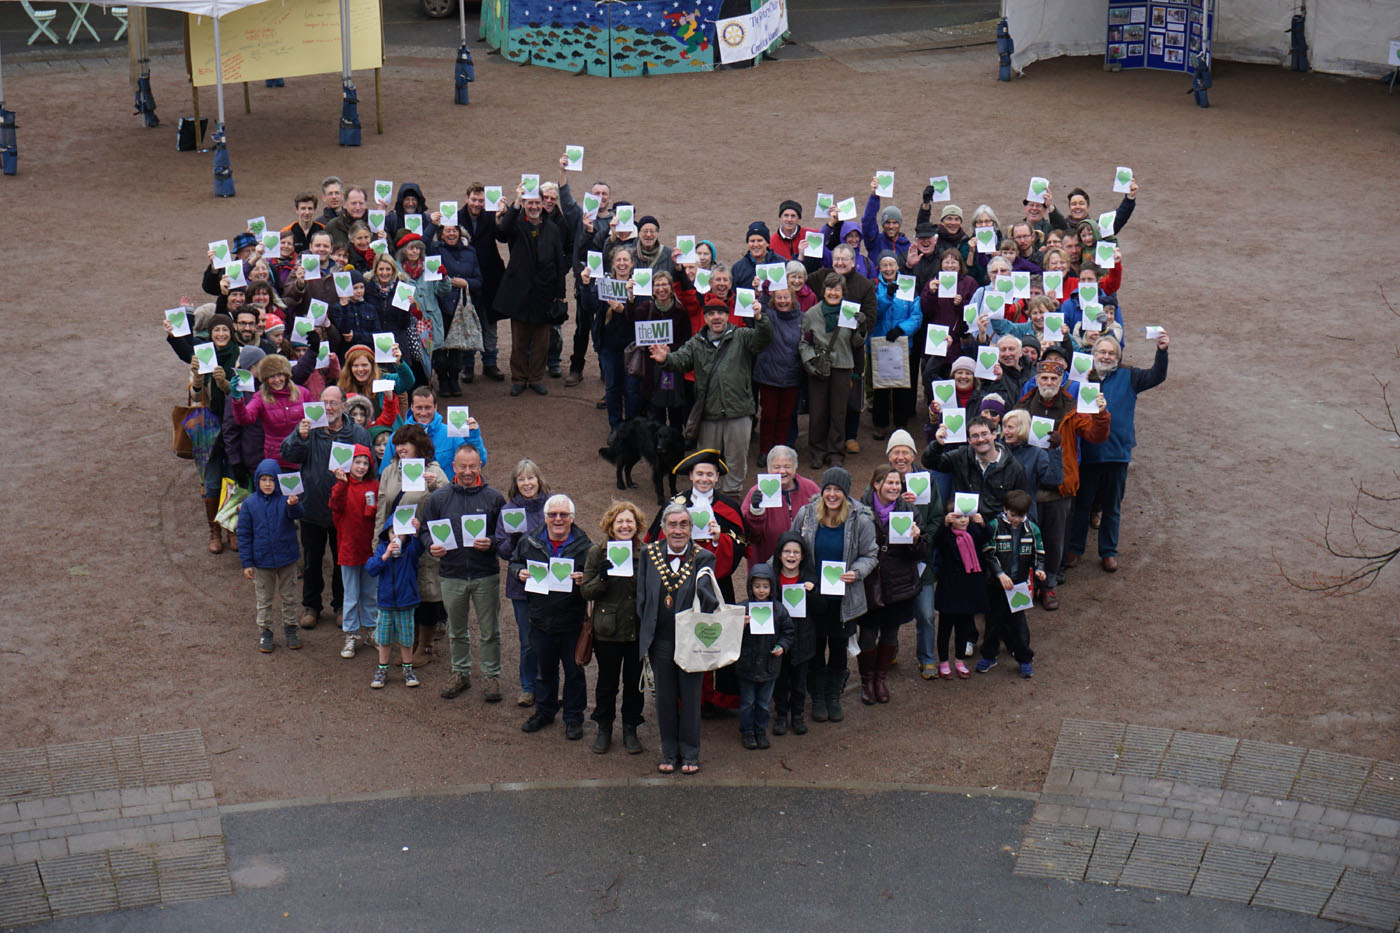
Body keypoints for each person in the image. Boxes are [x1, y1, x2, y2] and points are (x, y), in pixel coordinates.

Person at [649, 298, 773, 495]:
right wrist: (666, 359)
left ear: (727, 315)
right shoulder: (696, 343)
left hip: (739, 411)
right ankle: (706, 497)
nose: (716, 317)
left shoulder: (742, 336)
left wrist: (760, 317)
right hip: (709, 412)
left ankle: (732, 497)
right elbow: (680, 360)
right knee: (706, 460)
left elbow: (763, 338)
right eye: (711, 314)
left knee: (736, 459)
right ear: (705, 318)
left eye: (720, 313)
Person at [1068, 331, 1169, 573]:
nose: (1106, 356)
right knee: (1082, 504)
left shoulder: (1130, 375)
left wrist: (1162, 352)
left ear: (1118, 355)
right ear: (1093, 354)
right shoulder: (1080, 376)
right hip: (1088, 452)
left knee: (1112, 506)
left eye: (1111, 353)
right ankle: (1075, 548)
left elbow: (1157, 376)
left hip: (1117, 453)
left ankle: (1109, 551)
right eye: (1102, 352)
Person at [1013, 359, 1110, 608]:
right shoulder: (1022, 405)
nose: (1048, 383)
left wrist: (1101, 415)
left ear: (1060, 381)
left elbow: (1095, 435)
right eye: (1044, 378)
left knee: (1054, 540)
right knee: (1026, 539)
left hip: (1060, 485)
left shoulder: (1072, 406)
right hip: (1029, 485)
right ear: (1036, 380)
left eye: (1053, 379)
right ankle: (1027, 583)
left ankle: (1049, 585)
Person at [789, 468, 879, 724]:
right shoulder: (806, 514)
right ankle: (817, 697)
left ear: (845, 493)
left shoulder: (860, 519)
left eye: (837, 490)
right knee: (815, 647)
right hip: (813, 595)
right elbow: (792, 544)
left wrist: (856, 572)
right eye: (827, 489)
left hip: (844, 597)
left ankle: (833, 696)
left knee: (839, 648)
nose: (831, 494)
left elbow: (871, 554)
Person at [637, 503, 720, 775]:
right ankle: (669, 752)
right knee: (664, 698)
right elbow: (642, 598)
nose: (678, 530)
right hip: (660, 639)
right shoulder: (649, 554)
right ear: (663, 528)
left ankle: (691, 752)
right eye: (672, 525)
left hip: (690, 640)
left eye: (683, 525)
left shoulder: (704, 556)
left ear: (690, 528)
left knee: (691, 696)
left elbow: (707, 593)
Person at [279, 386, 371, 627]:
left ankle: (341, 606)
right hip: (312, 508)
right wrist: (299, 436)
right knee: (311, 561)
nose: (328, 407)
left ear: (343, 405)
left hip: (345, 510)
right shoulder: (309, 429)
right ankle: (311, 606)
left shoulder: (358, 433)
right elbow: (287, 454)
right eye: (325, 402)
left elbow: (368, 467)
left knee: (343, 560)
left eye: (333, 403)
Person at [422, 445, 506, 702]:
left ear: (480, 465)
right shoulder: (439, 498)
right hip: (451, 573)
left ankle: (491, 676)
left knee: (489, 630)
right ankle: (461, 672)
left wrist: (491, 541)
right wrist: (431, 546)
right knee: (457, 630)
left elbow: (503, 536)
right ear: (454, 467)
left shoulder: (494, 498)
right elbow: (425, 530)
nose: (467, 472)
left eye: (472, 466)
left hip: (485, 574)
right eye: (462, 466)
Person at [510, 494, 592, 740]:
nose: (558, 519)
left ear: (572, 518)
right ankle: (544, 711)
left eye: (563, 515)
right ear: (545, 517)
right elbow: (514, 563)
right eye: (553, 514)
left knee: (574, 672)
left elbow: (598, 577)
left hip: (572, 621)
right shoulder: (529, 542)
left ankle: (573, 717)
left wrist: (584, 578)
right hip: (540, 618)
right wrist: (519, 573)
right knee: (544, 671)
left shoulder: (585, 546)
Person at [375, 424, 449, 666]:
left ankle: (426, 647)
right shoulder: (389, 471)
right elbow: (383, 505)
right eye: (398, 444)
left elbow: (449, 502)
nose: (400, 448)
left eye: (405, 443)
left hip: (424, 540)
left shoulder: (434, 471)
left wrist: (435, 486)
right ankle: (412, 643)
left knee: (427, 592)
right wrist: (378, 537)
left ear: (419, 445)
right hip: (398, 541)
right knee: (407, 589)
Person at [580, 500, 647, 755]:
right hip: (607, 630)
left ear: (637, 525)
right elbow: (586, 591)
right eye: (620, 521)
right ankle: (604, 728)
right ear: (611, 525)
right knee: (607, 684)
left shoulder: (647, 553)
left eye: (629, 521)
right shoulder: (597, 553)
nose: (625, 525)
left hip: (636, 629)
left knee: (634, 684)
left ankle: (631, 727)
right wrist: (602, 578)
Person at [857, 466, 927, 705]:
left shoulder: (910, 511)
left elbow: (923, 551)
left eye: (898, 483)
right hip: (869, 584)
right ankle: (866, 680)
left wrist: (917, 538)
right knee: (867, 635)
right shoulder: (860, 510)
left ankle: (880, 679)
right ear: (876, 484)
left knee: (890, 634)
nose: (895, 488)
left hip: (898, 583)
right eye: (890, 483)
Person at [495, 183, 567, 396]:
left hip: (544, 293)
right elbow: (502, 232)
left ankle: (535, 378)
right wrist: (515, 203)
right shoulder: (516, 224)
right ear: (525, 204)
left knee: (540, 342)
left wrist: (560, 295)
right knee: (519, 340)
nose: (534, 206)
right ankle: (518, 378)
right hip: (519, 292)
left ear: (543, 205)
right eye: (530, 203)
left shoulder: (553, 229)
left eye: (537, 203)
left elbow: (559, 262)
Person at [884, 429, 945, 679]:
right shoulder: (883, 480)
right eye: (896, 452)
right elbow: (872, 512)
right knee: (892, 611)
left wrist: (922, 538)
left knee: (926, 614)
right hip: (894, 559)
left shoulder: (926, 479)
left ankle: (927, 657)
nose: (901, 457)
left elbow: (938, 515)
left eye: (905, 452)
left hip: (922, 558)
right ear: (889, 457)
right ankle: (890, 650)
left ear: (913, 454)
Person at [491, 458, 550, 707]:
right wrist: (513, 542)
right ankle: (528, 686)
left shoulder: (551, 505)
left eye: (531, 478)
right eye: (522, 479)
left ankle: (547, 683)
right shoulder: (509, 510)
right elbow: (501, 548)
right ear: (515, 483)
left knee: (549, 638)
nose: (527, 483)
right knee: (527, 640)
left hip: (550, 582)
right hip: (521, 584)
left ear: (539, 479)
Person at [238, 459, 304, 653]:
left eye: (271, 480)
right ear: (257, 481)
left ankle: (291, 629)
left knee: (290, 597)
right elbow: (243, 534)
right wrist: (247, 563)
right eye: (263, 479)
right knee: (264, 600)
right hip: (262, 561)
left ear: (278, 481)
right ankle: (265, 632)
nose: (267, 484)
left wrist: (294, 505)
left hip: (287, 559)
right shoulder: (249, 504)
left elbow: (299, 515)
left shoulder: (286, 500)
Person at [801, 273, 866, 470]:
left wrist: (860, 327)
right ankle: (817, 451)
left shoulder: (849, 313)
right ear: (824, 291)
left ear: (842, 292)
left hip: (843, 366)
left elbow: (856, 343)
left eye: (837, 290)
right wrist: (809, 363)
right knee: (818, 411)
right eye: (830, 289)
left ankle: (836, 451)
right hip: (820, 366)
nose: (833, 293)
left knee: (839, 411)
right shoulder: (812, 314)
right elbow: (804, 341)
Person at [978, 489, 1045, 677]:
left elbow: (1039, 552)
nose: (1016, 519)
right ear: (1005, 509)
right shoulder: (995, 526)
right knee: (993, 622)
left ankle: (1024, 658)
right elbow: (989, 553)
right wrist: (999, 574)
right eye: (1013, 515)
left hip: (1018, 584)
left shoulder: (1032, 529)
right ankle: (990, 655)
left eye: (1021, 515)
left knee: (1018, 623)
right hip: (996, 585)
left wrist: (1039, 568)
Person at [923, 415, 1027, 523]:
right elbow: (929, 462)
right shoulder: (960, 457)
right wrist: (938, 444)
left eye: (984, 434)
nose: (981, 439)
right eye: (975, 436)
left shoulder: (1014, 467)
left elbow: (1020, 503)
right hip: (964, 527)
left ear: (994, 434)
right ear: (969, 440)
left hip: (996, 530)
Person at [735, 563, 795, 750]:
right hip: (747, 665)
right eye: (757, 586)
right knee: (747, 703)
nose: (761, 591)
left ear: (772, 587)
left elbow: (788, 632)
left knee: (763, 703)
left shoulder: (779, 610)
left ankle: (760, 730)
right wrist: (739, 625)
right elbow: (729, 633)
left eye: (765, 586)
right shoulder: (742, 609)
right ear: (750, 587)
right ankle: (747, 731)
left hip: (770, 666)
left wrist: (782, 647)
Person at [769, 531, 823, 736]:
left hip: (804, 637)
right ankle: (781, 715)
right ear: (779, 554)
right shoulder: (772, 578)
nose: (791, 556)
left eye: (796, 552)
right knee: (781, 680)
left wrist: (813, 593)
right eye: (787, 551)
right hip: (779, 638)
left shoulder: (809, 577)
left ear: (802, 556)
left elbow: (821, 608)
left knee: (800, 682)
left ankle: (798, 715)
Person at [328, 445, 380, 659]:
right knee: (350, 594)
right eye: (357, 462)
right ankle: (350, 633)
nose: (361, 466)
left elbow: (378, 512)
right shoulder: (342, 486)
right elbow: (335, 505)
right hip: (348, 548)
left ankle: (370, 629)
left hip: (369, 549)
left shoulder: (374, 486)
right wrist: (341, 484)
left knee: (370, 592)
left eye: (365, 463)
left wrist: (373, 509)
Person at [930, 500, 989, 679]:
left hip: (969, 588)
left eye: (965, 516)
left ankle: (959, 660)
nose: (963, 520)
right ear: (950, 519)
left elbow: (986, 537)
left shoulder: (973, 533)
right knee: (945, 628)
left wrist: (983, 524)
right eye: (958, 517)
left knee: (964, 627)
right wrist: (944, 524)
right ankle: (943, 662)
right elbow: (937, 540)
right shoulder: (947, 536)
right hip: (950, 588)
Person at [364, 513, 424, 688]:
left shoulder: (410, 550)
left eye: (400, 533)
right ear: (386, 534)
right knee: (384, 638)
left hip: (406, 602)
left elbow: (420, 548)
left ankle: (408, 668)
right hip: (386, 602)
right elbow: (371, 568)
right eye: (392, 533)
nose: (396, 537)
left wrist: (417, 532)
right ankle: (382, 668)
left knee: (406, 638)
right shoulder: (383, 549)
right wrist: (385, 556)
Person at [869, 251, 922, 440]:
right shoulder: (875, 287)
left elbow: (916, 316)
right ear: (879, 268)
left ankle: (901, 423)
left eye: (892, 265)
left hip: (901, 342)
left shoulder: (908, 286)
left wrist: (901, 329)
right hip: (881, 342)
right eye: (885, 265)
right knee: (881, 387)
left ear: (898, 266)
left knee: (901, 386)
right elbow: (874, 311)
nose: (889, 269)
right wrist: (887, 297)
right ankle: (881, 423)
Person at [457, 183, 506, 382]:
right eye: (474, 199)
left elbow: (502, 237)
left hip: (490, 277)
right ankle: (468, 365)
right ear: (467, 197)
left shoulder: (490, 216)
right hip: (466, 277)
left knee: (490, 322)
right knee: (468, 321)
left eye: (480, 201)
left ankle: (490, 363)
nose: (477, 204)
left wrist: (501, 218)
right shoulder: (457, 217)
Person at [742, 446, 820, 569]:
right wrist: (755, 511)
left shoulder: (811, 489)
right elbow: (749, 536)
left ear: (795, 468)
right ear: (768, 469)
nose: (782, 471)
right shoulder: (757, 492)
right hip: (767, 563)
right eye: (777, 467)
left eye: (787, 467)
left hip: (804, 564)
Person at [751, 284, 805, 463]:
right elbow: (758, 307)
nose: (783, 301)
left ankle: (780, 451)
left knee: (785, 416)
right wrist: (762, 289)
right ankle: (765, 450)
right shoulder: (769, 314)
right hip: (769, 374)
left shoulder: (801, 318)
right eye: (779, 298)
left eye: (786, 297)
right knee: (768, 415)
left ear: (792, 298)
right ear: (774, 299)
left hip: (791, 374)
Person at [231, 354, 305, 470]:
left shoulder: (303, 393)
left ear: (286, 375)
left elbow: (315, 420)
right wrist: (238, 400)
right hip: (276, 459)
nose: (276, 380)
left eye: (280, 375)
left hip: (301, 456)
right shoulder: (260, 397)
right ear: (265, 379)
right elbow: (244, 419)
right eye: (271, 376)